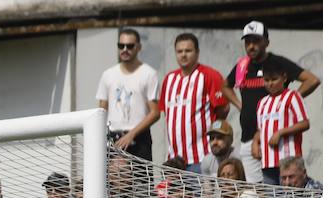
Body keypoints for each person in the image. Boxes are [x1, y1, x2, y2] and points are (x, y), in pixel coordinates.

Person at [224, 22, 318, 185]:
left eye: (256, 41)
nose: (251, 46)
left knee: (286, 190)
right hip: (250, 139)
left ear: (266, 42)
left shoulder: (277, 62)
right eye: (248, 42)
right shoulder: (242, 66)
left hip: (280, 145)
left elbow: (312, 80)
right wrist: (240, 105)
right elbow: (225, 86)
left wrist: (286, 100)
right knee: (259, 192)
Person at [159, 33, 231, 172]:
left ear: (197, 52)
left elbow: (223, 108)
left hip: (202, 158)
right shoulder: (169, 79)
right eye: (179, 51)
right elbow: (167, 115)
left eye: (188, 51)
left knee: (203, 194)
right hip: (174, 161)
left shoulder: (210, 75)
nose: (183, 55)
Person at [97, 28, 160, 160]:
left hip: (139, 137)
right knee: (112, 181)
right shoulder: (107, 75)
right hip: (114, 138)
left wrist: (131, 134)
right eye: (121, 46)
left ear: (139, 47)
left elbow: (155, 113)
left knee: (142, 180)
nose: (125, 49)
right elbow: (101, 110)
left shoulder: (149, 73)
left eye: (130, 46)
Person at [252, 67, 309, 185]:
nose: (270, 83)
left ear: (284, 78)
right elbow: (260, 129)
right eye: (266, 80)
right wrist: (255, 142)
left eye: (274, 79)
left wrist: (280, 132)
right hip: (267, 162)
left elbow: (304, 123)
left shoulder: (292, 96)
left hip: (289, 161)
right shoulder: (262, 102)